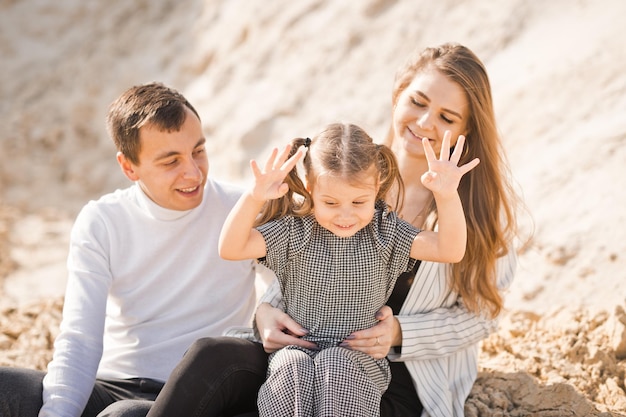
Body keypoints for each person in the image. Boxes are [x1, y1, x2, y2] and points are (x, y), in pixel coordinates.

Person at [146, 42, 521, 417]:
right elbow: (301, 263)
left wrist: (400, 333)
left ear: (466, 127)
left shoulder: (477, 213)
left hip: (397, 373)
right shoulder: (348, 172)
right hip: (302, 354)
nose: (425, 123)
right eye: (419, 103)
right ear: (398, 95)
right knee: (210, 357)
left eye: (446, 117)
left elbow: (482, 316)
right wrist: (266, 314)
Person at [0, 82, 263, 417]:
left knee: (123, 416)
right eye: (171, 161)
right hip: (112, 385)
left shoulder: (240, 209)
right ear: (129, 167)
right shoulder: (103, 221)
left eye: (198, 150)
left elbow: (297, 281)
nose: (193, 172)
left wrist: (268, 309)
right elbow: (80, 337)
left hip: (198, 394)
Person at [218, 122, 478, 416]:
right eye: (330, 202)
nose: (345, 215)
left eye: (358, 201)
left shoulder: (384, 233)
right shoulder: (296, 231)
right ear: (310, 188)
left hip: (358, 359)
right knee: (291, 364)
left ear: (377, 186)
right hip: (297, 351)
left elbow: (450, 249)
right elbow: (231, 247)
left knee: (336, 363)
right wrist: (255, 196)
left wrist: (446, 195)